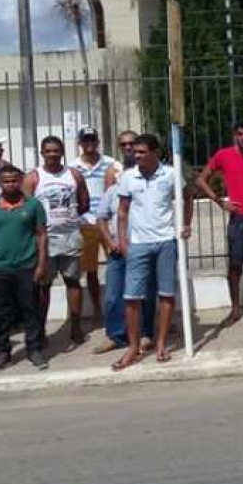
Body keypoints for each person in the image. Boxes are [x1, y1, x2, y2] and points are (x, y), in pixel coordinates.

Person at [113, 134, 193, 371]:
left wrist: (187, 224)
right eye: (134, 152)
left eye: (141, 152)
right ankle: (133, 348)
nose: (135, 155)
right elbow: (123, 212)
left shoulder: (170, 174)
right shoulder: (128, 177)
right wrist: (123, 241)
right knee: (131, 297)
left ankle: (160, 344)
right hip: (138, 243)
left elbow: (187, 198)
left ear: (155, 152)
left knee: (166, 294)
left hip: (166, 241)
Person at [196, 121, 243, 323]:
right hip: (238, 217)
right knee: (235, 263)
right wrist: (220, 202)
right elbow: (201, 180)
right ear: (235, 136)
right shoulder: (223, 155)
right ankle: (235, 308)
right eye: (240, 134)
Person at [0, 166, 48, 372]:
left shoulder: (33, 205)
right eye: (6, 181)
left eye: (14, 181)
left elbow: (41, 235)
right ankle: (3, 352)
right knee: (2, 312)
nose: (11, 184)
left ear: (20, 181)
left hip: (27, 266)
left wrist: (41, 264)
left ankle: (34, 349)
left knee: (31, 309)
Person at [24, 136, 90, 347]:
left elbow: (84, 201)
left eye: (56, 151)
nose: (52, 154)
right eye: (48, 151)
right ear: (42, 153)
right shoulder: (34, 177)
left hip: (70, 236)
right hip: (46, 240)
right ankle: (41, 330)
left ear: (62, 152)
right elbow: (26, 209)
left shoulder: (74, 175)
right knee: (43, 286)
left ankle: (76, 327)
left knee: (73, 282)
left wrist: (69, 218)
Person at [94, 168, 155, 354]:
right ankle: (116, 335)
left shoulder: (146, 190)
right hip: (117, 252)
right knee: (113, 294)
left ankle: (145, 334)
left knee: (144, 293)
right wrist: (111, 242)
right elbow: (101, 218)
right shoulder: (112, 192)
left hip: (140, 248)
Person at [72, 127, 118, 324]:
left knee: (116, 264)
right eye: (85, 140)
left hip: (109, 222)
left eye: (92, 139)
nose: (89, 143)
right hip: (86, 223)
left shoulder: (111, 163)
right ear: (80, 143)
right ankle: (98, 311)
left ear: (98, 141)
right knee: (91, 270)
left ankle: (116, 308)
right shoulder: (72, 167)